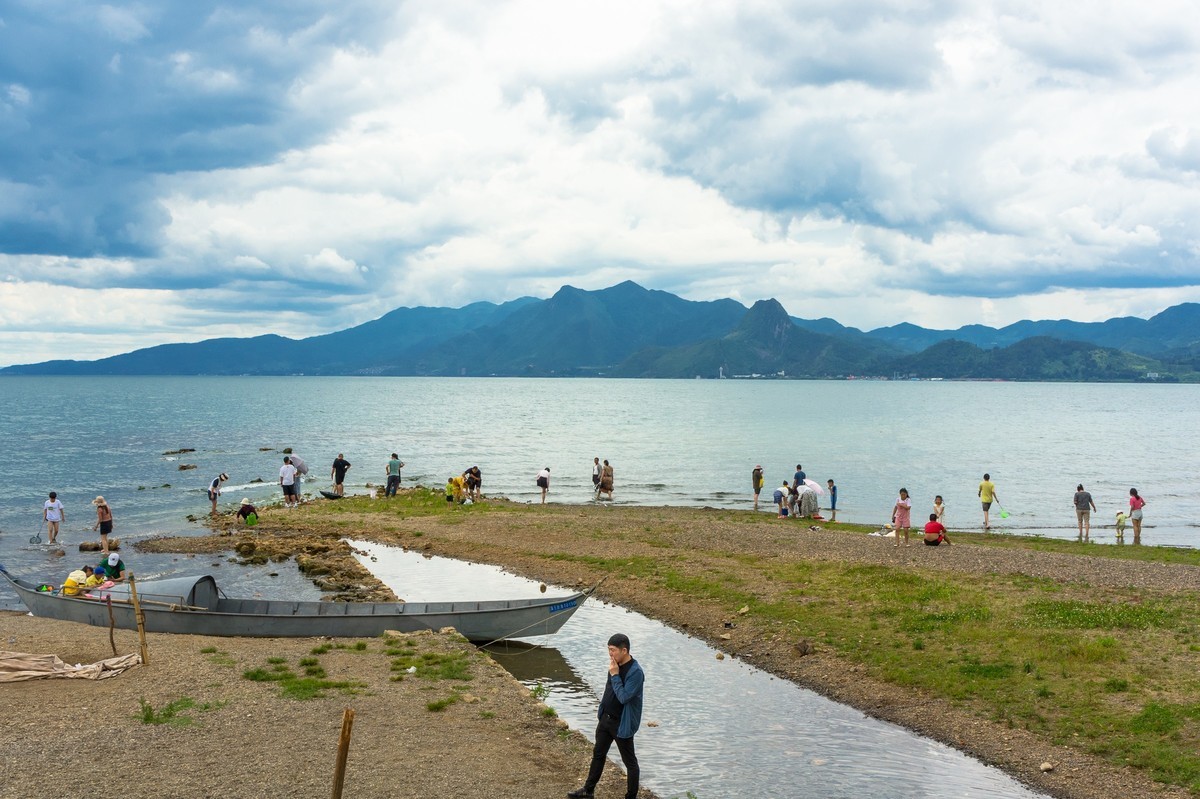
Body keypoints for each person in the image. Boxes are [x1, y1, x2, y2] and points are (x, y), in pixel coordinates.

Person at [567, 633, 644, 799]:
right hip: (605, 720)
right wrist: (601, 712)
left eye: (613, 650)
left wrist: (615, 674)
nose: (610, 654)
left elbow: (624, 697)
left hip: (621, 724)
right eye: (609, 650)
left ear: (624, 650)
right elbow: (609, 690)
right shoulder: (614, 665)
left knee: (630, 762)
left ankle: (631, 796)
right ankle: (588, 790)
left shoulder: (636, 672)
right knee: (598, 754)